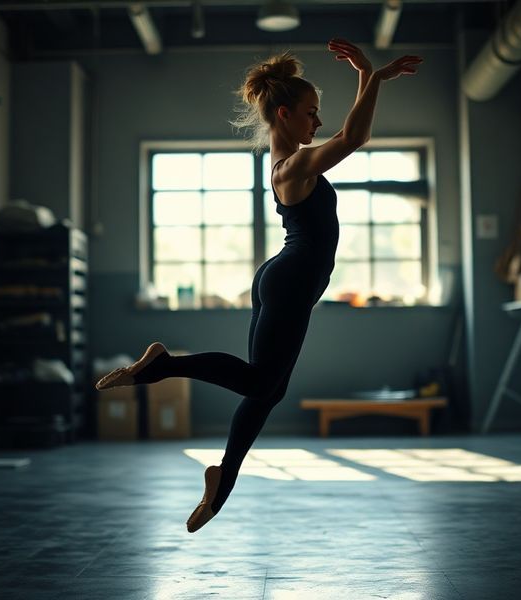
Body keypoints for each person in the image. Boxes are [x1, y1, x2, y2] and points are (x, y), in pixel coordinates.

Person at [96, 39, 422, 533]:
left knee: (265, 390)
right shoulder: (293, 166)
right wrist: (372, 77)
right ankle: (163, 366)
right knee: (260, 384)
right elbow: (354, 138)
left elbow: (347, 132)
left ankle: (221, 480)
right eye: (312, 114)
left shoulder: (289, 155)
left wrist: (365, 76)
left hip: (285, 280)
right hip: (289, 281)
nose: (318, 123)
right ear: (286, 114)